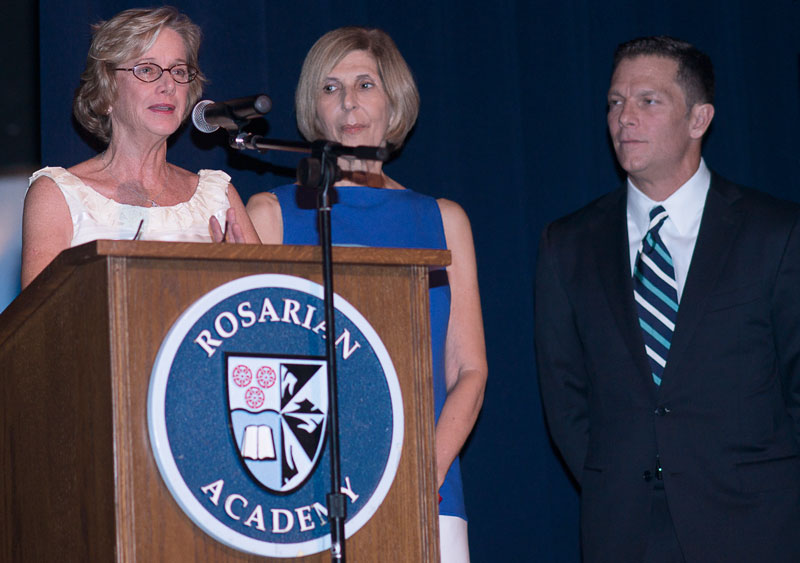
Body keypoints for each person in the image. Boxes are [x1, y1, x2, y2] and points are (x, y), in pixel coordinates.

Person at [535, 35, 800, 563]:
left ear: (699, 119)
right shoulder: (567, 243)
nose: (624, 118)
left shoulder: (777, 233)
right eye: (615, 102)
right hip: (623, 529)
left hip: (756, 524)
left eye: (647, 101)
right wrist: (618, 479)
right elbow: (565, 397)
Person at [246, 27, 487, 562]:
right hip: (300, 500)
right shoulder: (269, 214)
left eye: (364, 84)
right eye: (330, 88)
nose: (349, 102)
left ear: (394, 100)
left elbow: (468, 370)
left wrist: (422, 472)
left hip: (427, 490)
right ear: (314, 107)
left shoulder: (443, 220)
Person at [21, 6, 259, 289]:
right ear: (107, 92)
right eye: (147, 69)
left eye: (179, 71)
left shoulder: (218, 196)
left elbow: (266, 308)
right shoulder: (58, 195)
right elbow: (42, 323)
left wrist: (238, 281)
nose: (169, 85)